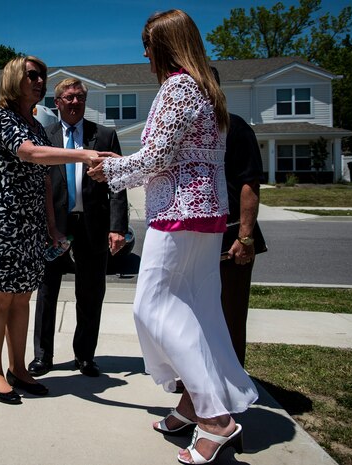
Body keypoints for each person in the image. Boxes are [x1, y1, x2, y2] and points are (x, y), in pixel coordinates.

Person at [88, 10, 258, 464]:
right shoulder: (209, 89)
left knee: (153, 308)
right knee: (200, 312)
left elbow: (157, 156)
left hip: (180, 214)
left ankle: (215, 419)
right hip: (207, 216)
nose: (144, 54)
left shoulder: (178, 87)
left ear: (164, 46)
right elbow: (172, 152)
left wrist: (110, 170)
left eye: (148, 45)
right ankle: (190, 403)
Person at [0, 56, 106, 404]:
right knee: (0, 298)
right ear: (13, 79)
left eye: (42, 76)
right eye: (32, 75)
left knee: (22, 300)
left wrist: (51, 227)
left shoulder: (34, 123)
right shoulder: (2, 120)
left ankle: (18, 369)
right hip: (3, 223)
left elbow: (45, 184)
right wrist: (84, 155)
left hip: (33, 226)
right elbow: (31, 155)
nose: (40, 81)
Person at [29, 78, 129, 378]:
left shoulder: (104, 135)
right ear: (57, 102)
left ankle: (85, 356)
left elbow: (118, 184)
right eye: (69, 98)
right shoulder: (42, 135)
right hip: (53, 227)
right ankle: (42, 357)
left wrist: (117, 227)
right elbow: (36, 184)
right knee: (47, 292)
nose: (75, 102)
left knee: (91, 293)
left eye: (80, 97)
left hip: (92, 226)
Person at [220, 110, 266, 367]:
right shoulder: (191, 129)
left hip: (233, 237)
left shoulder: (235, 127)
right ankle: (201, 376)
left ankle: (231, 378)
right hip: (200, 238)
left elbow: (251, 182)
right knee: (201, 314)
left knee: (231, 314)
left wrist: (245, 237)